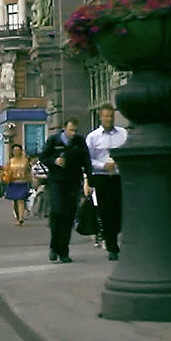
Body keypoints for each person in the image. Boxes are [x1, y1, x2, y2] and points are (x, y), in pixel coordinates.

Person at [40, 117, 93, 263]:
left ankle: (63, 251)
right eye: (71, 130)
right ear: (64, 128)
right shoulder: (54, 141)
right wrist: (54, 161)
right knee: (57, 213)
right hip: (57, 182)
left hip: (73, 182)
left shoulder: (79, 142)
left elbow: (86, 161)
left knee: (69, 216)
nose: (73, 133)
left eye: (75, 130)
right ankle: (54, 246)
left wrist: (90, 180)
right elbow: (43, 157)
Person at [86, 103, 127, 260]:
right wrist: (103, 165)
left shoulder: (123, 134)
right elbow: (88, 160)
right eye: (106, 116)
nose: (109, 119)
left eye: (111, 116)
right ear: (100, 117)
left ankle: (114, 235)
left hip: (119, 176)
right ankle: (112, 245)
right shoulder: (93, 137)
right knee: (106, 211)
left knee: (119, 210)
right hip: (102, 177)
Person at [4, 144, 31, 226]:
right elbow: (6, 171)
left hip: (23, 182)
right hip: (13, 183)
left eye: (18, 150)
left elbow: (29, 171)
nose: (16, 152)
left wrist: (30, 180)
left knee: (21, 199)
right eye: (14, 150)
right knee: (15, 200)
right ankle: (17, 216)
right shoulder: (10, 161)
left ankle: (21, 218)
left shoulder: (25, 161)